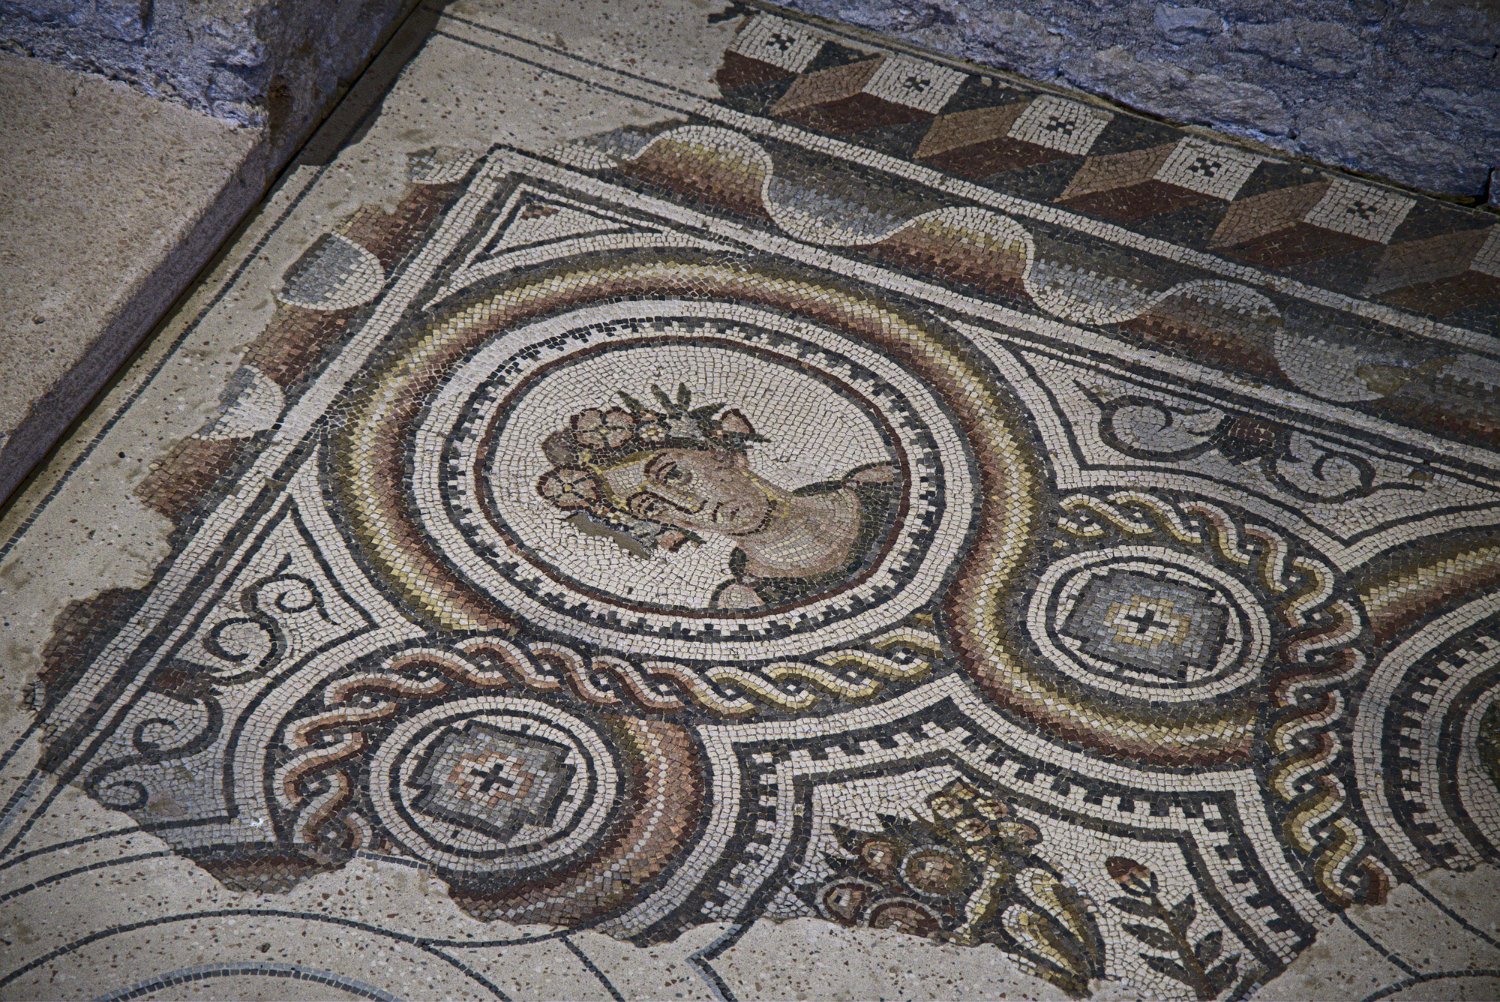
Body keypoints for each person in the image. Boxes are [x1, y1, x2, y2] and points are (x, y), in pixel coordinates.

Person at [536, 384, 898, 609]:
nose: (689, 505)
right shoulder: (748, 602)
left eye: (674, 474)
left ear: (725, 455)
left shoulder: (881, 484)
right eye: (653, 507)